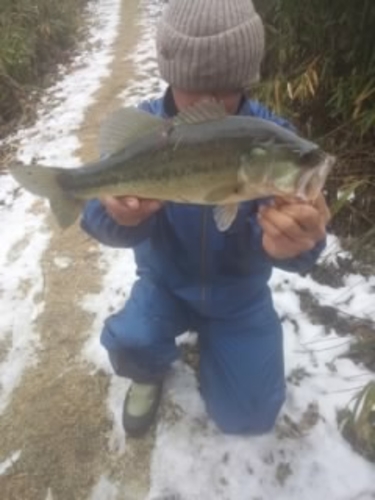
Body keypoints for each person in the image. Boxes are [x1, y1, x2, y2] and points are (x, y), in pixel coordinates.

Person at [80, 0, 330, 437]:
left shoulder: (274, 140)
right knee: (131, 340)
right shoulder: (145, 134)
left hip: (239, 298)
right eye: (192, 83)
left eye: (226, 85)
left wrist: (299, 246)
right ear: (169, 72)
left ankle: (222, 353)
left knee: (249, 416)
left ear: (247, 77)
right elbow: (97, 217)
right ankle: (149, 371)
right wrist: (117, 215)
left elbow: (301, 239)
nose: (209, 100)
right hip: (165, 286)